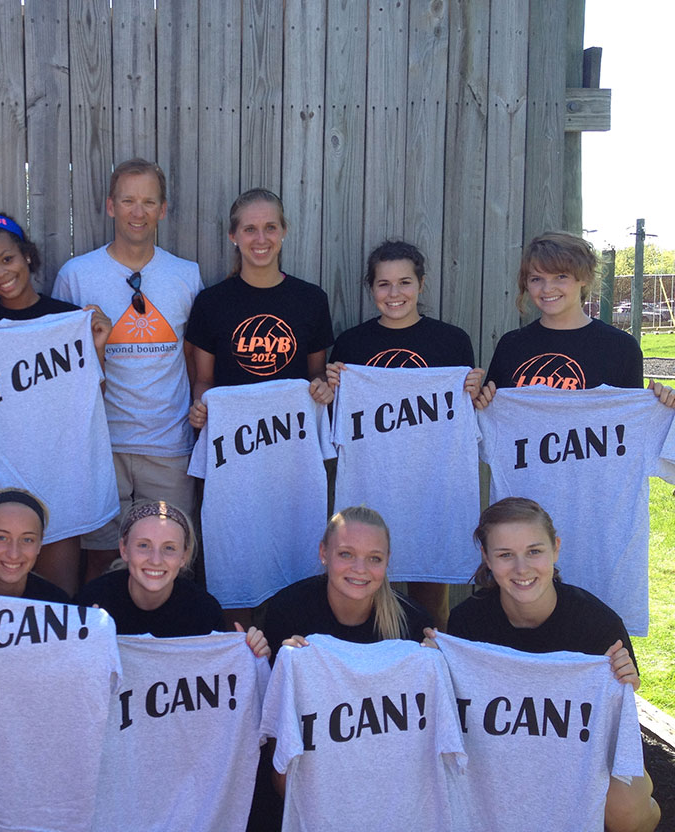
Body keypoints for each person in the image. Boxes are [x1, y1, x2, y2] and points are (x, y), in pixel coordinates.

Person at [440, 497, 660, 832]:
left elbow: (620, 709)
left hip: (582, 754)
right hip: (501, 752)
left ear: (555, 549)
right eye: (504, 555)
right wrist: (433, 661)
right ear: (486, 557)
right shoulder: (467, 623)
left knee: (626, 811)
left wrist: (627, 681)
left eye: (534, 551)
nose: (521, 568)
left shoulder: (596, 622)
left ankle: (654, 809)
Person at [53, 159, 203, 584]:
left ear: (163, 209)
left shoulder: (186, 276)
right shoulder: (76, 275)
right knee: (101, 559)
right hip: (100, 442)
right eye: (128, 201)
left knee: (173, 561)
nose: (138, 212)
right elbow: (63, 366)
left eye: (148, 202)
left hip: (169, 443)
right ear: (110, 206)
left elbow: (195, 357)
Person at [325, 240, 483, 629]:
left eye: (405, 282)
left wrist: (475, 390)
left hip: (433, 490)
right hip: (372, 486)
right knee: (366, 596)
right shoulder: (352, 344)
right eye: (383, 284)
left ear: (421, 285)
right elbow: (333, 416)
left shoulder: (451, 342)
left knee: (431, 606)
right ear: (371, 288)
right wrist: (331, 387)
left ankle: (430, 675)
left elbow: (469, 415)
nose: (394, 294)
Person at [0, 214, 110, 594]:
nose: (0, 273)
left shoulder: (67, 319)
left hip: (59, 471)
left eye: (7, 259)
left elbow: (89, 400)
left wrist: (100, 348)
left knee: (59, 592)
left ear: (27, 256)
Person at [186, 187, 336, 434]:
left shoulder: (312, 299)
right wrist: (201, 406)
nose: (261, 239)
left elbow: (315, 372)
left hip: (292, 440)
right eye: (249, 229)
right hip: (233, 438)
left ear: (283, 231)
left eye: (270, 227)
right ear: (233, 235)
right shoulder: (211, 303)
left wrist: (320, 387)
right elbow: (204, 381)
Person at [476, 231, 674, 408]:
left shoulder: (621, 348)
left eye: (561, 276)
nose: (547, 288)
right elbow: (491, 416)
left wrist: (664, 407)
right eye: (536, 279)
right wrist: (479, 400)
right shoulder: (511, 345)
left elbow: (629, 428)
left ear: (584, 277)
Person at [76, 501, 268, 658]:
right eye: (143, 545)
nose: (155, 560)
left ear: (184, 556)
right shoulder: (93, 603)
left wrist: (251, 657)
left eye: (169, 548)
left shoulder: (203, 611)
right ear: (124, 550)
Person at [263, 505, 433, 653]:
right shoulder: (287, 612)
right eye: (346, 554)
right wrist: (267, 656)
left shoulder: (413, 622)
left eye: (374, 558)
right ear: (324, 553)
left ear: (387, 560)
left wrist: (436, 663)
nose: (360, 569)